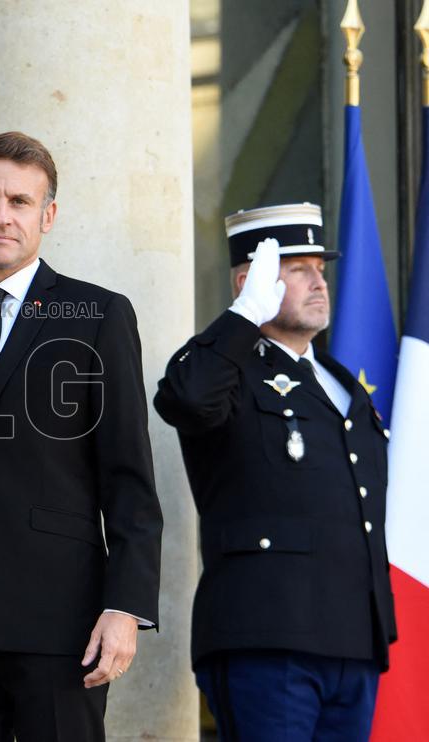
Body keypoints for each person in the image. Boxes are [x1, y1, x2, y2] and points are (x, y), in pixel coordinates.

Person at [0, 131, 163, 742]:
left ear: (48, 215)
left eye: (19, 201)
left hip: (61, 620)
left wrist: (125, 608)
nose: (1, 215)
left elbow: (128, 478)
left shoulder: (98, 316)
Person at [154, 203, 396, 741]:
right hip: (266, 638)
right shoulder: (231, 372)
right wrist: (244, 317)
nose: (319, 282)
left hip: (354, 642)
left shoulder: (340, 382)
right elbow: (186, 399)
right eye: (297, 269)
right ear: (250, 280)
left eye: (322, 268)